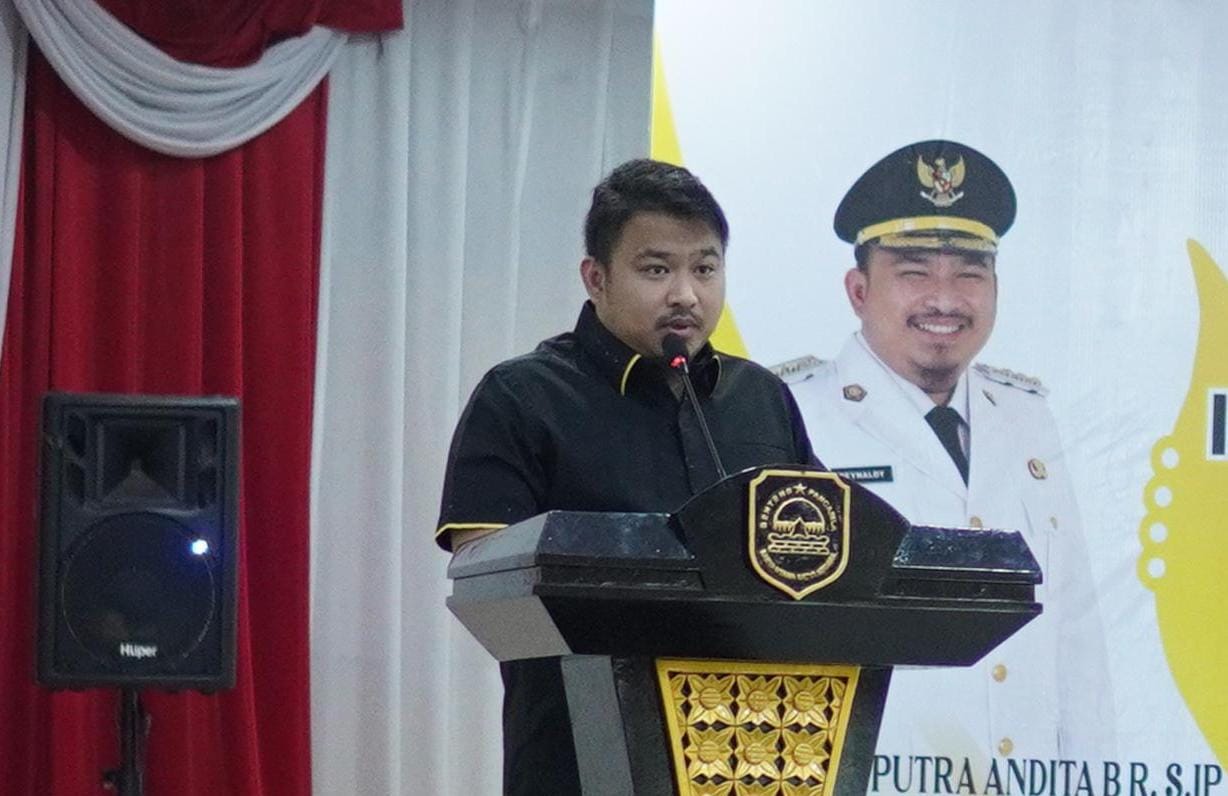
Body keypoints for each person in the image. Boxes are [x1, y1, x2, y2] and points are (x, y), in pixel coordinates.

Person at [436, 158, 816, 794]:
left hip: (754, 757)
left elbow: (824, 555)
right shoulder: (521, 397)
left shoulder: (762, 398)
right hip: (582, 760)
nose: (686, 295)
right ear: (596, 277)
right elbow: (488, 590)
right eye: (656, 269)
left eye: (705, 268)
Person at [781, 140, 1114, 764]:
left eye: (969, 272)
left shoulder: (1026, 416)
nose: (945, 298)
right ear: (858, 290)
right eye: (913, 272)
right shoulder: (795, 414)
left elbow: (1073, 631)